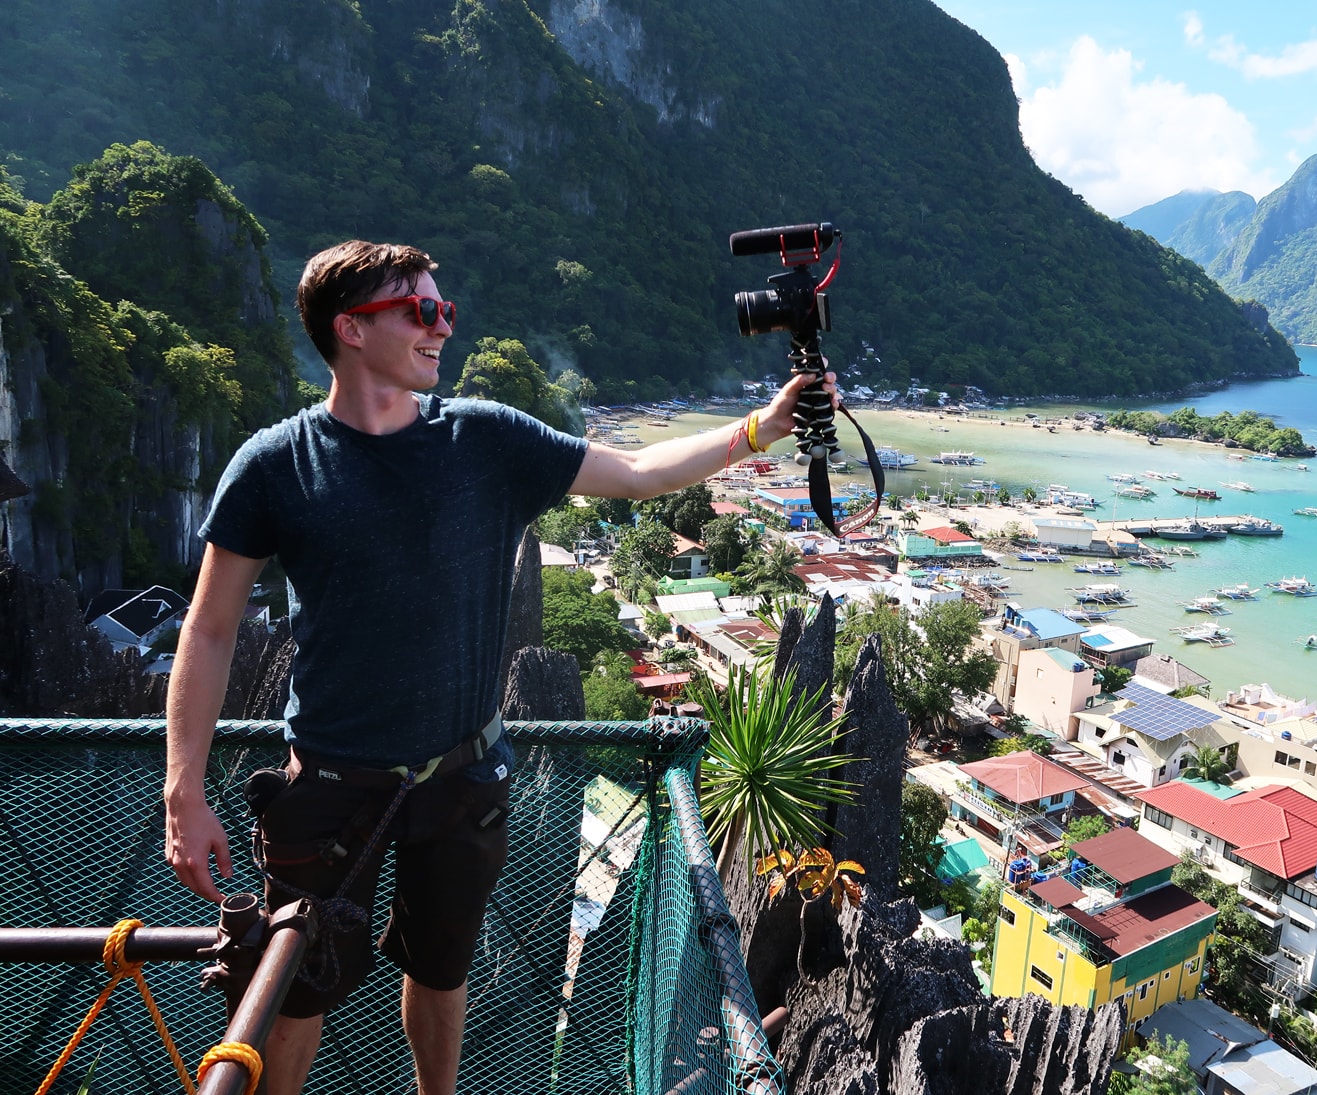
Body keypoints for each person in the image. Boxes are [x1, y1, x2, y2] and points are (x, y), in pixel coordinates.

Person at [163, 240, 833, 1095]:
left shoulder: (483, 438)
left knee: (441, 975)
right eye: (422, 310)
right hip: (328, 782)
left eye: (445, 308)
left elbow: (630, 473)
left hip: (461, 773)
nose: (443, 326)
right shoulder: (275, 465)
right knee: (295, 991)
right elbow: (210, 628)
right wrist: (184, 790)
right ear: (350, 329)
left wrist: (759, 430)